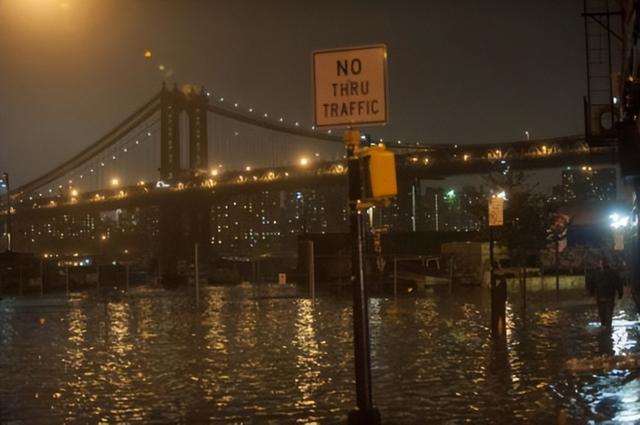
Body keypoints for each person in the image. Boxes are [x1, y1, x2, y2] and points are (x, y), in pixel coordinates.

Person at [588, 257, 623, 329]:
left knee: (604, 313)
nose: (602, 264)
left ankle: (605, 327)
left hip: (604, 295)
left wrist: (591, 293)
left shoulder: (597, 273)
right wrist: (620, 293)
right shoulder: (611, 272)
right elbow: (618, 283)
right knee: (605, 313)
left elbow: (592, 284)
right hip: (606, 295)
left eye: (602, 263)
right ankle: (606, 327)